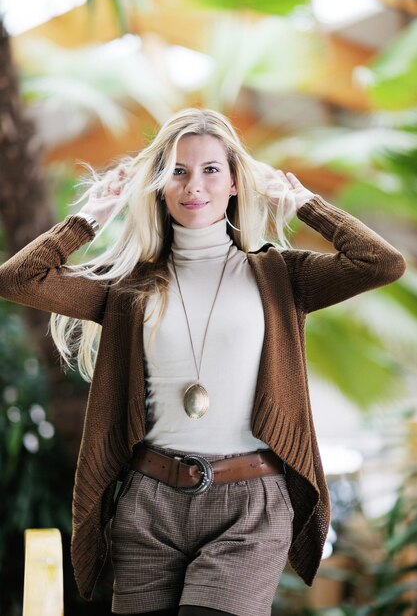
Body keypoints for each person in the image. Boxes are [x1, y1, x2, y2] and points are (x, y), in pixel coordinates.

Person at [0, 108, 406, 616]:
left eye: (212, 169)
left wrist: (303, 202)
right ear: (160, 185)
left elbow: (382, 263)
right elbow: (17, 279)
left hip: (249, 506)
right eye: (178, 170)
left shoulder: (280, 275)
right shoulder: (127, 284)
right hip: (149, 504)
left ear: (236, 181)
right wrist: (92, 217)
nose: (195, 185)